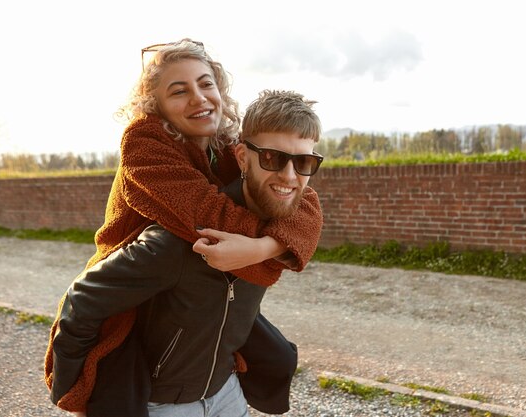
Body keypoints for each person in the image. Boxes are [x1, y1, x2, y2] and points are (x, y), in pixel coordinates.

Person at [44, 39, 323, 415]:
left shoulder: (224, 143)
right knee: (116, 386)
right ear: (155, 105)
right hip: (137, 286)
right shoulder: (144, 145)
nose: (198, 98)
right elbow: (210, 215)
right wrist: (72, 388)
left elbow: (304, 206)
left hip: (194, 291)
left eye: (206, 84)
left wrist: (262, 249)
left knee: (266, 352)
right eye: (179, 91)